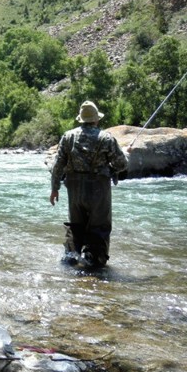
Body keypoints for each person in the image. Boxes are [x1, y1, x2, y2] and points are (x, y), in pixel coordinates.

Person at [49, 100, 128, 268]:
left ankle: (70, 261)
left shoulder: (68, 137)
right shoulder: (106, 138)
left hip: (75, 189)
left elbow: (58, 166)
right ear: (96, 119)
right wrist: (125, 156)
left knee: (76, 226)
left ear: (81, 119)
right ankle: (95, 265)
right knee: (99, 228)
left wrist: (54, 189)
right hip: (99, 190)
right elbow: (122, 165)